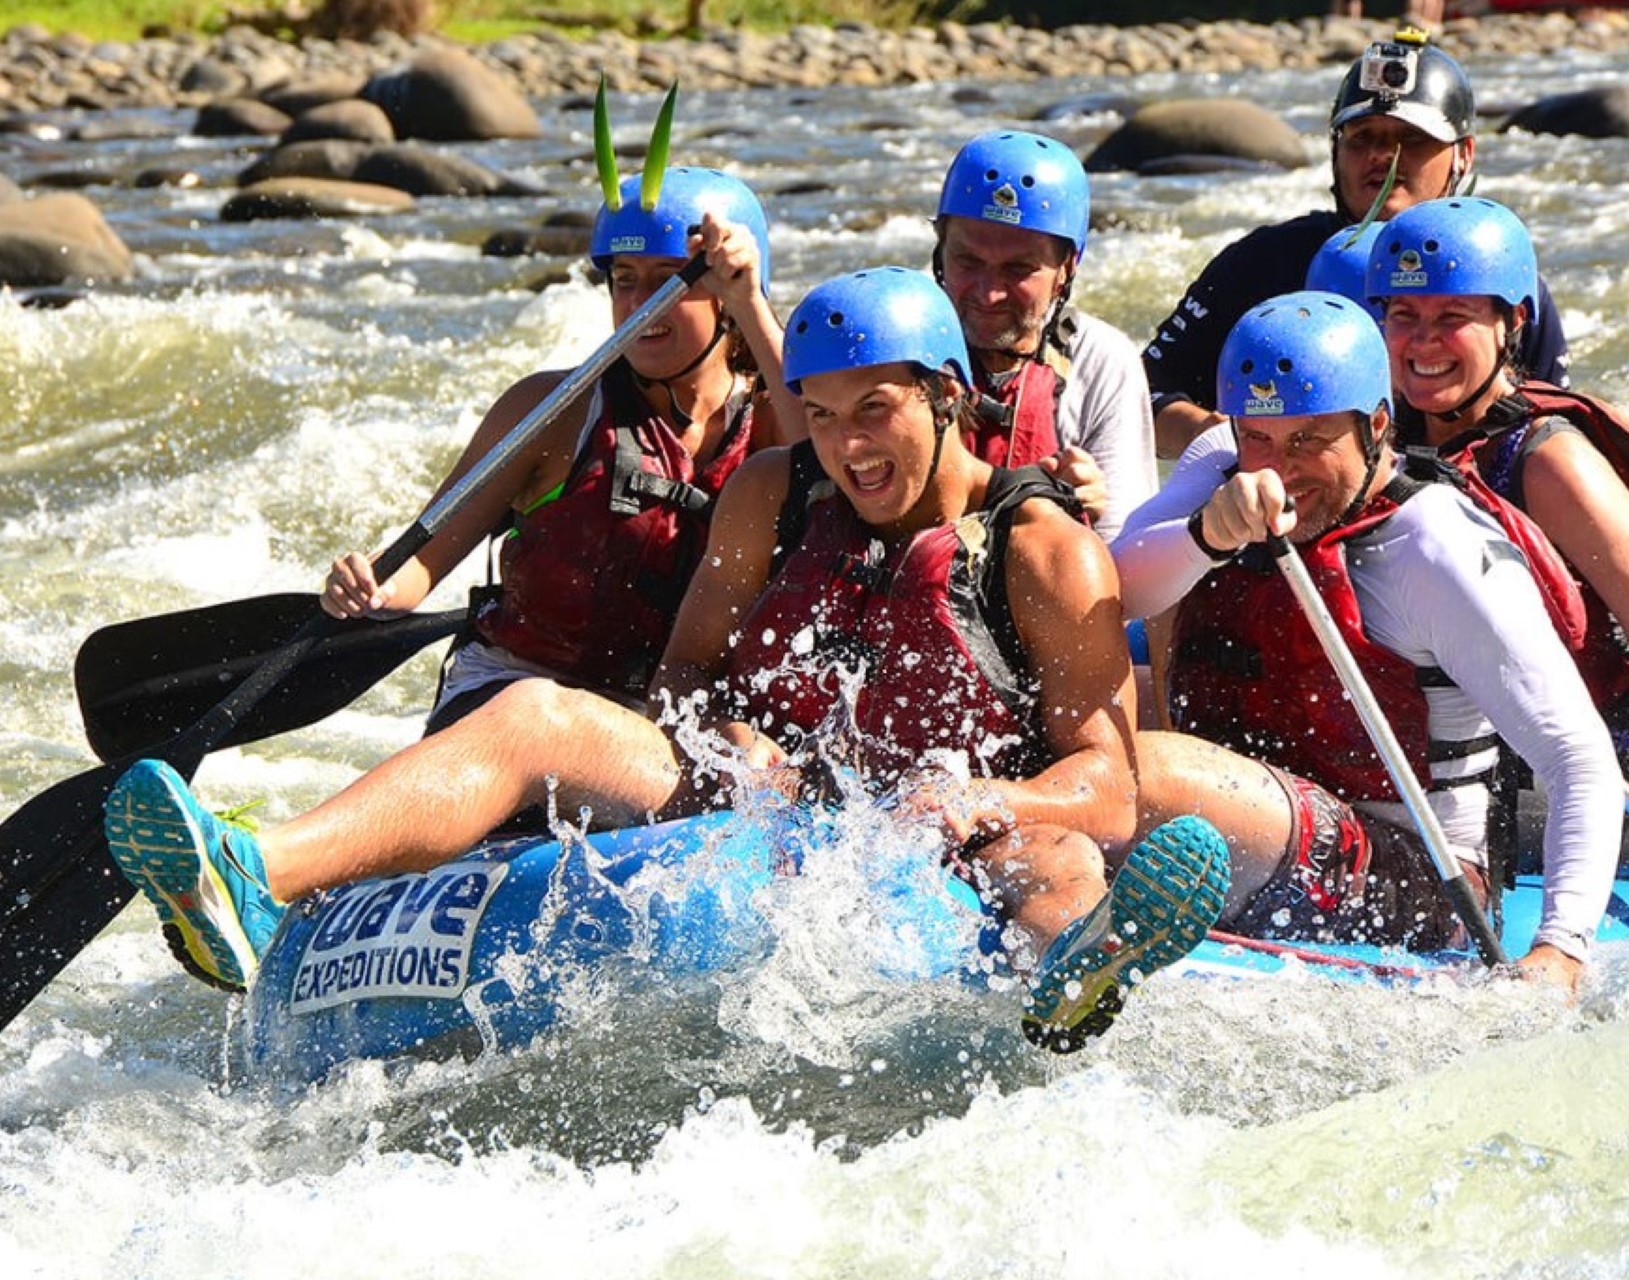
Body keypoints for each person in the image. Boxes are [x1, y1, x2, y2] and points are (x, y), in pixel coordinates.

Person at [103, 267, 1229, 1053]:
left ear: (945, 395)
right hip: (771, 790)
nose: (845, 448)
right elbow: (686, 670)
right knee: (539, 708)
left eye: (874, 411)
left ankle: (1078, 973)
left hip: (957, 817)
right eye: (825, 415)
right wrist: (727, 735)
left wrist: (980, 795)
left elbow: (1110, 782)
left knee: (1060, 859)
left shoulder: (1043, 549)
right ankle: (255, 875)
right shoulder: (768, 493)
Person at [1114, 291, 1622, 987]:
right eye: (1257, 439)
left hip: (1417, 879)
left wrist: (1561, 949)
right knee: (1080, 707)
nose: (1275, 469)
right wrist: (1207, 535)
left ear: (1376, 424)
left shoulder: (1435, 544)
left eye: (1308, 441)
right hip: (1254, 812)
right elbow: (1108, 591)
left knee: (1150, 770)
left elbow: (1578, 754)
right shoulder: (1222, 460)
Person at [1365, 196, 1629, 868]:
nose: (1422, 343)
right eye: (1403, 317)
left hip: (1618, 764)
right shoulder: (1377, 438)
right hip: (1479, 737)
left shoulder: (1549, 462)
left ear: (1513, 322)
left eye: (1453, 319)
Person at [323, 166, 798, 734]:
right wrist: (369, 587)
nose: (641, 305)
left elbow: (824, 464)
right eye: (625, 279)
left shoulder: (778, 417)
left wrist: (748, 299)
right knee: (539, 716)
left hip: (671, 720)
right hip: (514, 696)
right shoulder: (553, 408)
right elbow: (418, 567)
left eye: (671, 281)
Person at [1141, 28, 1572, 461]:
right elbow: (1144, 393)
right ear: (1336, 150)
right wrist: (1219, 438)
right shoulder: (1261, 263)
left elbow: (1552, 426)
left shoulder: (1503, 280)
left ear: (1463, 154)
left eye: (1412, 138)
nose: (1383, 157)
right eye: (1361, 137)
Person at [771, 130, 1159, 542]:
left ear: (1067, 266)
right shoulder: (886, 335)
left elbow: (1130, 570)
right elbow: (812, 434)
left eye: (1018, 269)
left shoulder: (1102, 360)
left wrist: (1091, 524)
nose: (988, 293)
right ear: (939, 252)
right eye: (968, 261)